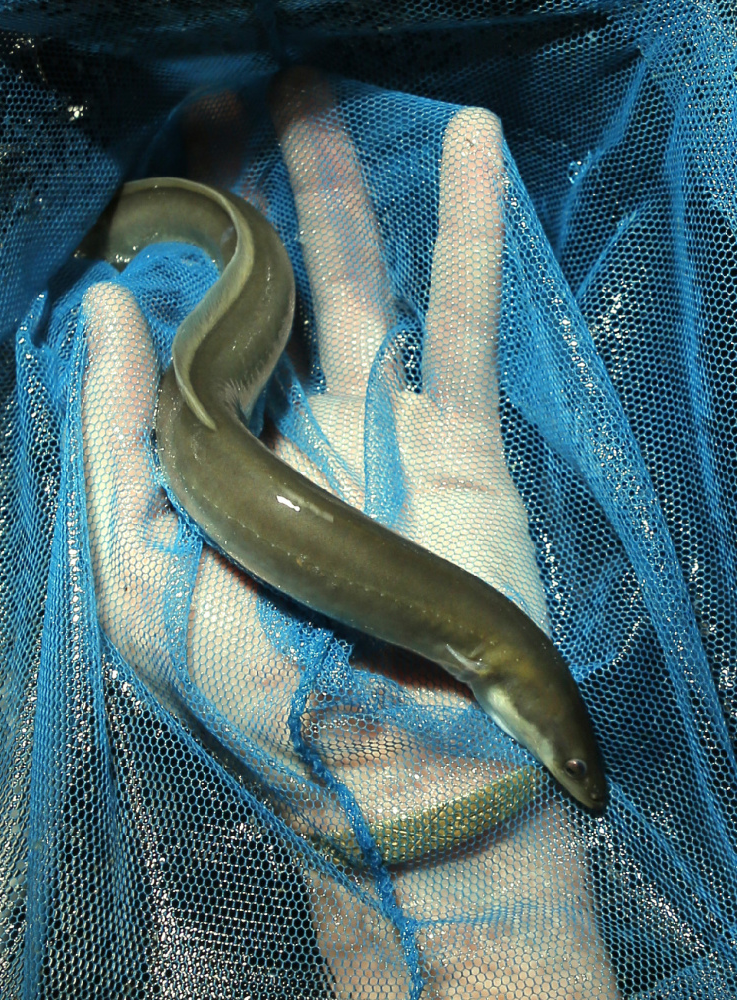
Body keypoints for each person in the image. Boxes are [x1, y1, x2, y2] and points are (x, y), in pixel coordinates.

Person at [81, 68, 618, 998]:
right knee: (213, 359)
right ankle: (193, 226)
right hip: (210, 425)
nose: (570, 782)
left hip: (221, 434)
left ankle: (212, 234)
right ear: (497, 683)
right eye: (564, 763)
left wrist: (436, 836)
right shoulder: (475, 645)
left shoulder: (482, 647)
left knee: (221, 355)